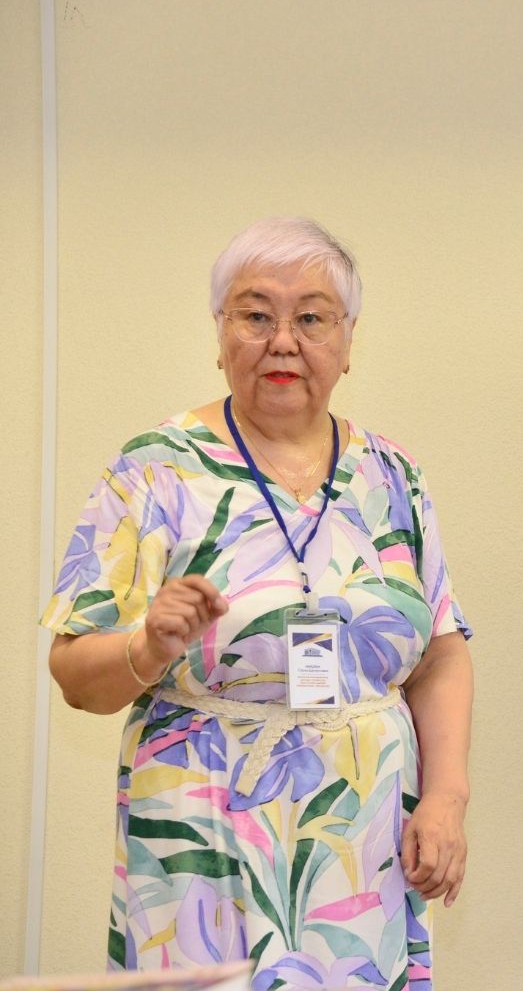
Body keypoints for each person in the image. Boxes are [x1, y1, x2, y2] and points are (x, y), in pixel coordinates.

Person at [41, 218, 474, 989]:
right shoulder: (155, 471)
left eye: (311, 318)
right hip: (201, 841)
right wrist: (147, 646)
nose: (283, 341)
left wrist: (445, 796)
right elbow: (75, 675)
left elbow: (440, 651)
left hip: (363, 841)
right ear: (220, 333)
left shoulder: (393, 475)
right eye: (255, 315)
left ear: (348, 340)